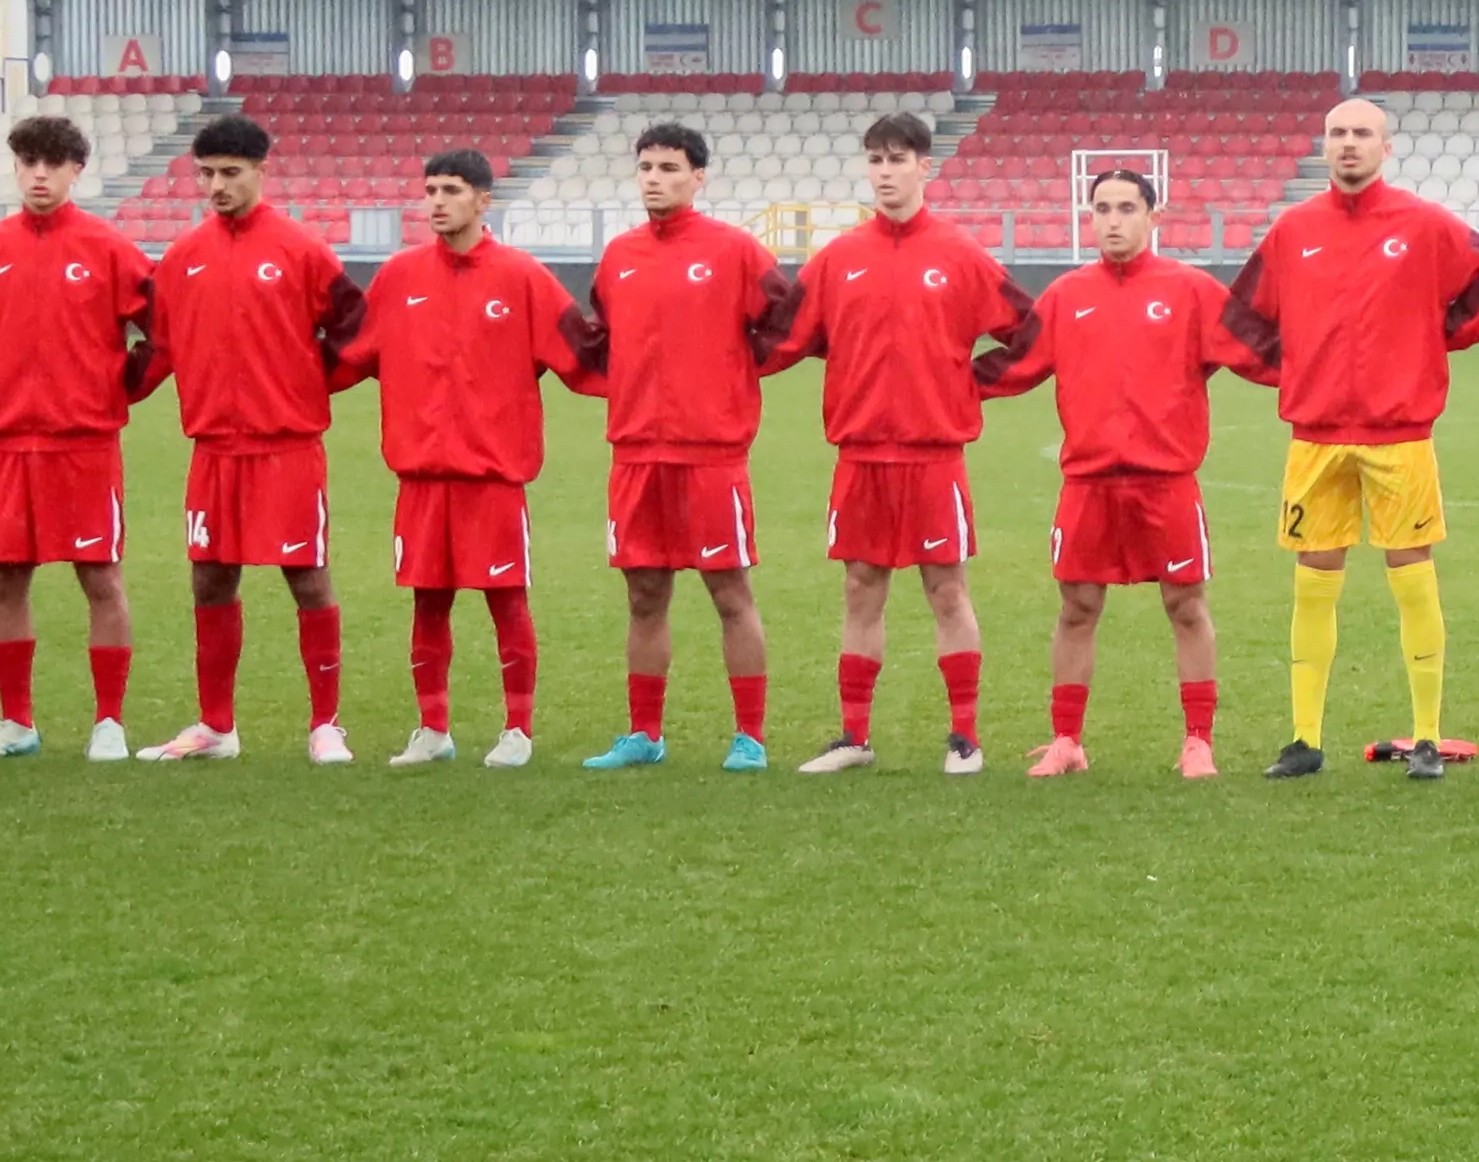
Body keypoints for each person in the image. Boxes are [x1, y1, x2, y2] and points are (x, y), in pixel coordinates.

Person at [1218, 94, 1479, 781]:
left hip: (1398, 433)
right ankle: (1303, 739)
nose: (1349, 143)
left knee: (1412, 572)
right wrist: (1293, 372)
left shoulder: (1424, 223)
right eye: (1338, 133)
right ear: (1324, 145)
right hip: (1316, 435)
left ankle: (1428, 737)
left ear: (1386, 146)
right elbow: (1241, 318)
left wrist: (1438, 339)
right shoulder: (1293, 229)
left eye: (1363, 133)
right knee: (1314, 578)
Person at [770, 110, 1036, 775]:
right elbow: (783, 340)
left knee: (947, 590)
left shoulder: (961, 255)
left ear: (925, 166)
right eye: (876, 160)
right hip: (860, 455)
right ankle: (854, 737)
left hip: (933, 456)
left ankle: (965, 737)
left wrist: (969, 385)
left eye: (897, 159)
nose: (885, 172)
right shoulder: (837, 260)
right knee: (861, 590)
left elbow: (1031, 334)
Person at [979, 161, 1238, 777]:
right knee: (1076, 608)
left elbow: (1257, 352)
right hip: (1089, 483)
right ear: (1088, 218)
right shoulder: (1066, 296)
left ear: (1154, 216)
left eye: (1127, 208)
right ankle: (1066, 741)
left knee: (1186, 606)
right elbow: (1014, 366)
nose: (1113, 221)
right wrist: (934, 380)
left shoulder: (1193, 291)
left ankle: (1197, 741)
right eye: (1102, 209)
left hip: (1166, 482)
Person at [343, 148, 587, 766]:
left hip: (493, 477)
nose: (436, 202)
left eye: (451, 190)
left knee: (507, 600)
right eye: (430, 190)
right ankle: (434, 730)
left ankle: (518, 731)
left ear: (483, 200)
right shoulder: (398, 277)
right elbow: (350, 356)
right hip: (422, 477)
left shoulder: (522, 277)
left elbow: (581, 356)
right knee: (428, 601)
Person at [140, 108, 361, 763]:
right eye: (206, 174)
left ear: (262, 170)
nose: (216, 186)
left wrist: (305, 387)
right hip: (213, 449)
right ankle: (216, 726)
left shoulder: (302, 250)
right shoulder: (181, 257)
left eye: (230, 173)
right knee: (210, 580)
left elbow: (356, 332)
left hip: (287, 446)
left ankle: (326, 724)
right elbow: (159, 347)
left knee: (307, 578)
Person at [566, 122, 788, 773]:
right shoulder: (619, 256)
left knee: (730, 592)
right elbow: (604, 338)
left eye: (668, 168)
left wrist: (729, 380)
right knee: (644, 596)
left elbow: (787, 325)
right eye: (646, 168)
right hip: (636, 452)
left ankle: (750, 737)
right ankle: (644, 733)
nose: (654, 179)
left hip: (711, 454)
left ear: (698, 177)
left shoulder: (735, 251)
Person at [0, 114, 154, 762]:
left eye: (52, 164)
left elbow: (163, 333)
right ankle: (16, 722)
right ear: (15, 167)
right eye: (28, 162)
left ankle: (109, 722)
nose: (39, 175)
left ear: (75, 171)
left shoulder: (109, 248)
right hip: (7, 442)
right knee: (5, 579)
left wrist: (117, 390)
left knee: (100, 577)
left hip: (84, 443)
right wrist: (4, 379)